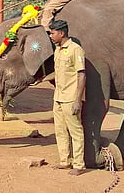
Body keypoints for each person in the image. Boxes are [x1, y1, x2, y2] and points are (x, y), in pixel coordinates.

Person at [42, 20, 86, 176]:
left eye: (52, 33)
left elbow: (81, 75)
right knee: (60, 130)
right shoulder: (58, 50)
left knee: (75, 131)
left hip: (70, 98)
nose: (51, 36)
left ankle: (79, 164)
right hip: (58, 97)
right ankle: (64, 161)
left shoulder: (75, 50)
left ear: (61, 33)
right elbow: (59, 72)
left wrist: (77, 100)